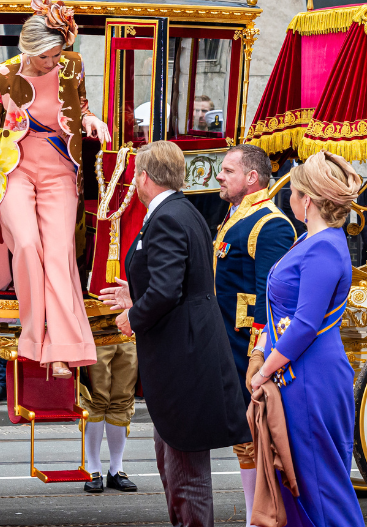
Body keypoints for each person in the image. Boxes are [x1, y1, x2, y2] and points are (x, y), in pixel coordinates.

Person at [0, 0, 110, 378]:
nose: (54, 62)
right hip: (15, 171)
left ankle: (62, 349)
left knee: (58, 253)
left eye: (58, 54)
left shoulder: (73, 66)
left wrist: (91, 119)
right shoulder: (3, 74)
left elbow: (80, 106)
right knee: (26, 244)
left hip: (59, 170)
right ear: (29, 50)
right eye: (47, 58)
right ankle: (34, 338)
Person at [97, 140, 250, 527]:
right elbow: (182, 278)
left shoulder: (166, 216)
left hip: (184, 354)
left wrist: (134, 315)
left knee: (185, 471)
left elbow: (168, 291)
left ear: (143, 177)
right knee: (173, 461)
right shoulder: (182, 209)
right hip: (188, 347)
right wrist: (136, 293)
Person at [247, 150, 364, 527]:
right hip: (303, 373)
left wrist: (264, 370)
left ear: (308, 200)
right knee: (303, 483)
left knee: (322, 488)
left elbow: (305, 323)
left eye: (293, 193)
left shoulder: (323, 247)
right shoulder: (313, 241)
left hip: (310, 379)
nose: (289, 199)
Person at [212, 144, 296, 525]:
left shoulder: (271, 222)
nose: (219, 176)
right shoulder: (237, 214)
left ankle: (259, 515)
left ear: (251, 178)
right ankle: (252, 514)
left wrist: (259, 355)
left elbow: (270, 295)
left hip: (248, 345)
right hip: (228, 338)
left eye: (228, 170)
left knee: (254, 432)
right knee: (243, 436)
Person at [78, 336, 138, 494]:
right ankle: (93, 468)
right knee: (94, 399)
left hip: (127, 331)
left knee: (122, 399)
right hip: (95, 329)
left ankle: (116, 469)